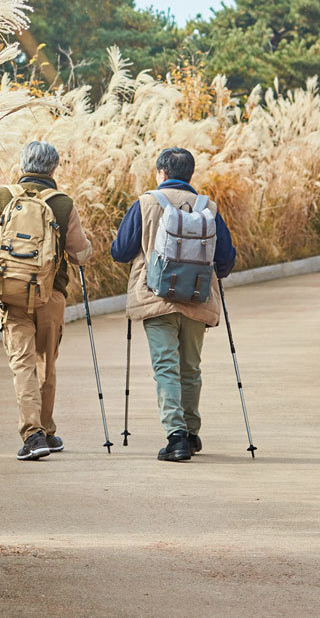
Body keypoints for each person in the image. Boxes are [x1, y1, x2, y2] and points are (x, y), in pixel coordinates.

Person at [0, 141, 92, 461]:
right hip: (51, 295)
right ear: (53, 169)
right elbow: (80, 255)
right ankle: (44, 431)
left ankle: (35, 434)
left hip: (10, 294)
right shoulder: (63, 204)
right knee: (45, 363)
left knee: (22, 363)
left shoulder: (2, 196)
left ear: (22, 166)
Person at [110, 147, 236, 462]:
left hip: (156, 298)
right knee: (190, 368)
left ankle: (176, 436)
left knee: (165, 367)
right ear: (189, 175)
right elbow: (225, 261)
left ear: (161, 173)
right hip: (197, 298)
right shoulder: (209, 208)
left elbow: (121, 251)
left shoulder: (145, 203)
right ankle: (192, 433)